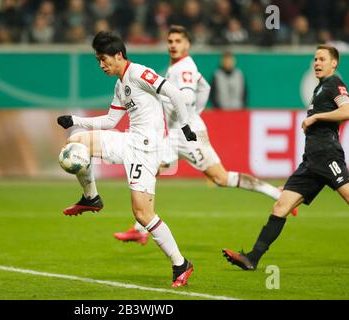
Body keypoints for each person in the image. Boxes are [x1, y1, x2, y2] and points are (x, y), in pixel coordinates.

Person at [113, 25, 295, 245]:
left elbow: (187, 97)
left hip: (189, 136)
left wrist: (180, 109)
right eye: (170, 41)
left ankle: (278, 195)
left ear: (187, 44)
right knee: (150, 168)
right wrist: (194, 113)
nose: (173, 45)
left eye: (178, 41)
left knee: (221, 178)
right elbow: (205, 87)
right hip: (175, 135)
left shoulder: (184, 68)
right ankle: (140, 228)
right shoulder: (178, 67)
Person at [56, 31, 196, 287]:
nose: (100, 65)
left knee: (143, 214)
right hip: (129, 140)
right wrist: (75, 120)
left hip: (146, 149)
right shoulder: (121, 84)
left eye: (103, 59)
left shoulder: (139, 73)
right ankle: (91, 198)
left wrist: (186, 126)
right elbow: (111, 121)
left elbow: (174, 93)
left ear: (118, 55)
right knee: (76, 140)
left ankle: (180, 264)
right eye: (98, 60)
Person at [223, 45, 349, 271]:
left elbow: (347, 110)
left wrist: (316, 117)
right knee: (280, 206)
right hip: (311, 162)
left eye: (322, 59)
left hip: (328, 156)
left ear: (334, 63)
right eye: (315, 59)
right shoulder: (320, 88)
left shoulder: (334, 84)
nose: (317, 63)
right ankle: (252, 258)